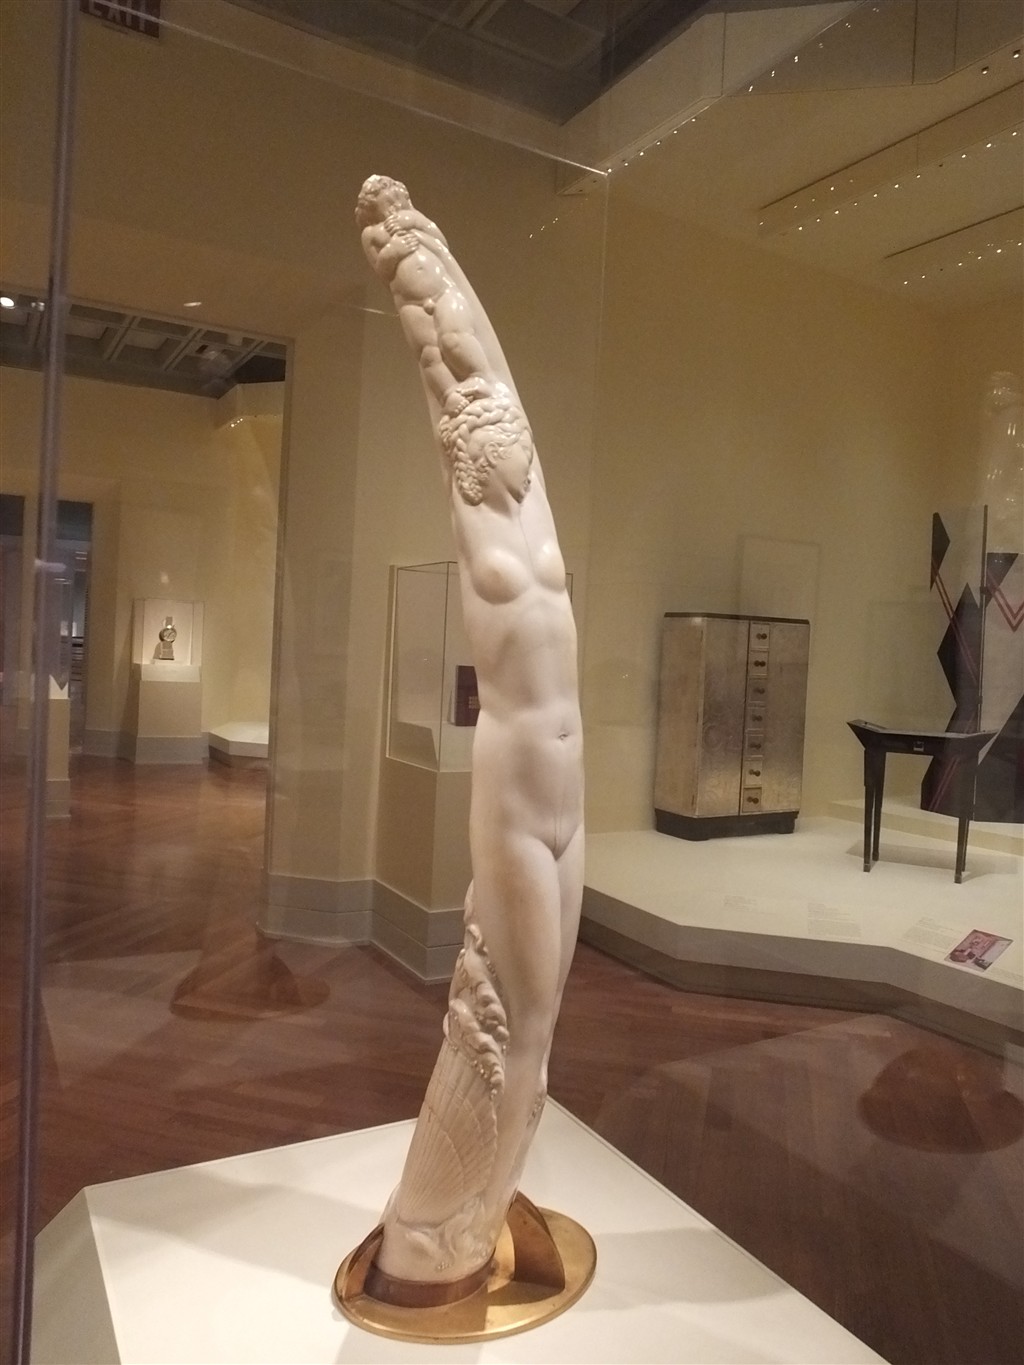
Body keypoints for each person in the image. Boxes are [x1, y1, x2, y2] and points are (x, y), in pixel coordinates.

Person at [355, 175, 584, 1295]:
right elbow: (454, 373)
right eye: (494, 447)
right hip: (515, 798)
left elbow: (487, 377)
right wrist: (406, 256)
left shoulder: (526, 502)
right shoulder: (475, 510)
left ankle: (472, 1217)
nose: (514, 458)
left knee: (542, 1021)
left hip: (570, 796)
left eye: (513, 444)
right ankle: (428, 1234)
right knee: (511, 1018)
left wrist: (429, 244)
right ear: (469, 459)